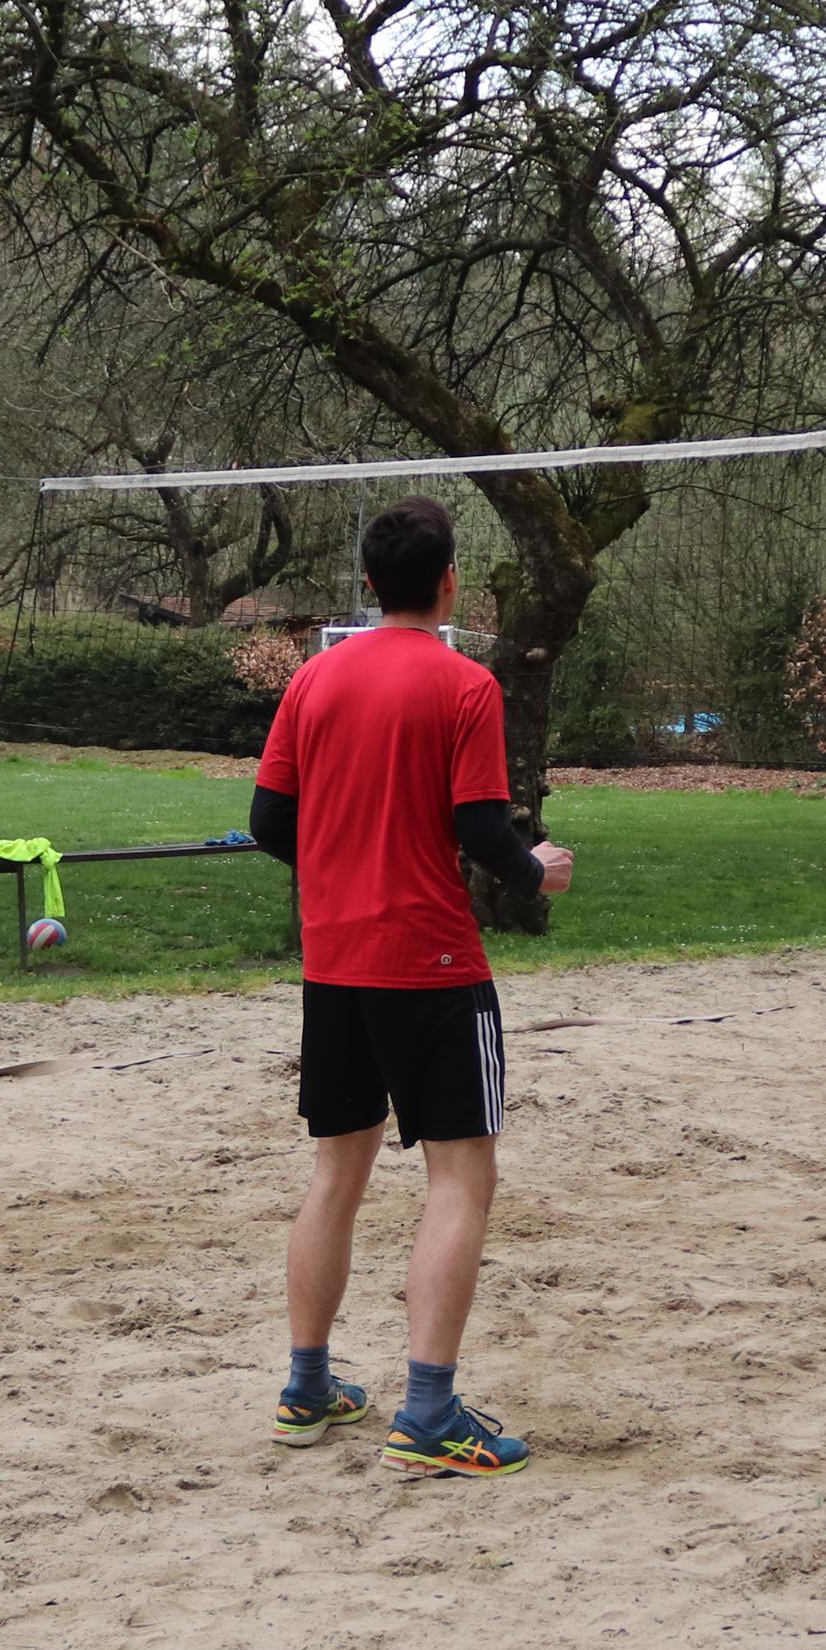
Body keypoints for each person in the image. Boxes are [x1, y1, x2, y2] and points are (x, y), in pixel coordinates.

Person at [248, 496, 573, 1477]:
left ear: (366, 583)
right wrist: (536, 867)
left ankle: (307, 1386)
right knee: (461, 1178)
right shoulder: (465, 683)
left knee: (334, 1179)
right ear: (448, 583)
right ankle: (427, 1412)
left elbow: (269, 821)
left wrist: (342, 860)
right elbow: (480, 829)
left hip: (334, 960)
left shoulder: (314, 677)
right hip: (429, 964)